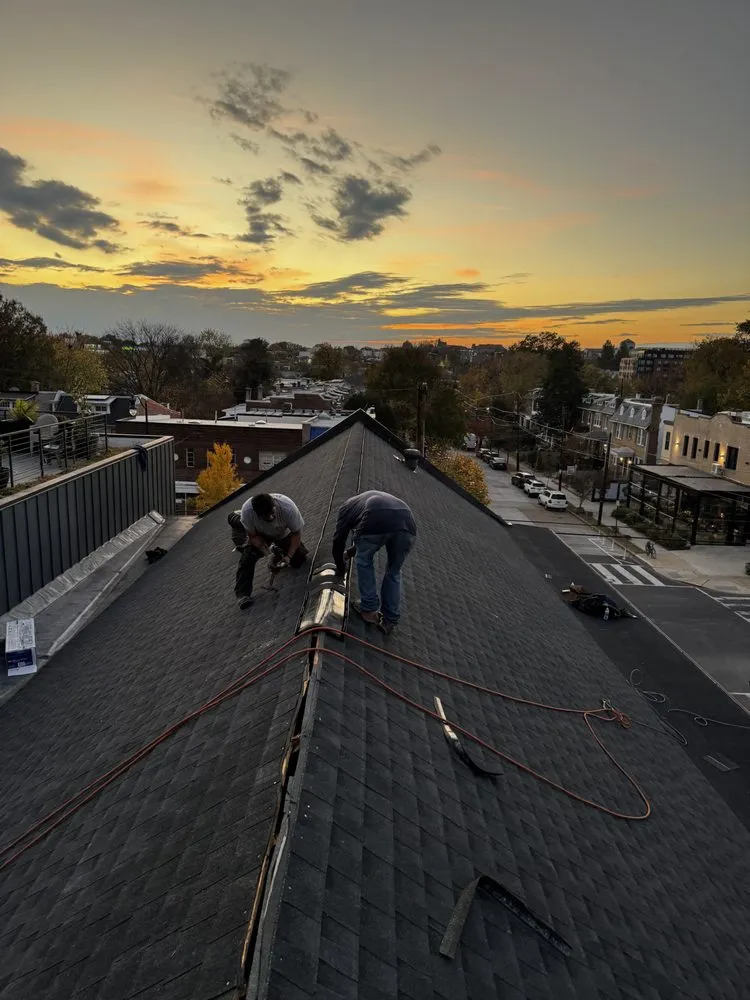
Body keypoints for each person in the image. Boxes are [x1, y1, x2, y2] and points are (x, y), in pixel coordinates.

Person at [332, 490, 416, 634]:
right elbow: (366, 540)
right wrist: (351, 551)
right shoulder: (361, 502)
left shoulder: (345, 510)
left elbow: (338, 541)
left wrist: (340, 567)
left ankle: (369, 610)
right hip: (408, 522)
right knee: (394, 571)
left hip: (376, 515)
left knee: (364, 560)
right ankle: (389, 620)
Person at [228, 493, 307, 609]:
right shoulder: (248, 512)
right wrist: (267, 552)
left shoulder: (287, 508)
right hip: (261, 534)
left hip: (283, 534)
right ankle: (243, 594)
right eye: (266, 516)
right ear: (257, 514)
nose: (270, 517)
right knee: (248, 556)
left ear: (274, 506)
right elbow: (253, 536)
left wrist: (289, 556)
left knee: (299, 560)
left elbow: (296, 535)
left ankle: (279, 554)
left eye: (272, 514)